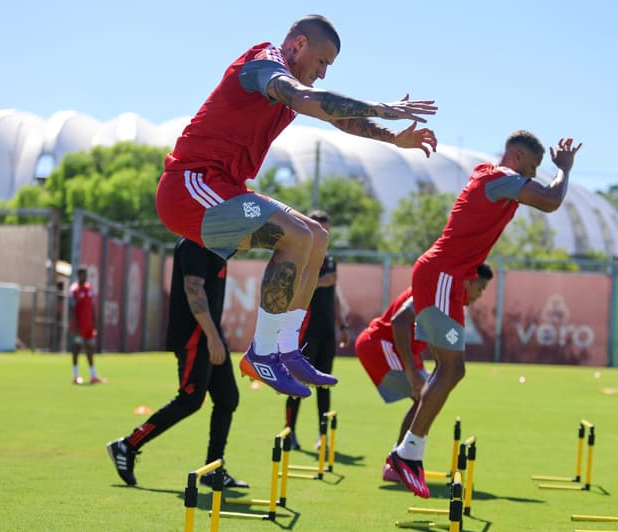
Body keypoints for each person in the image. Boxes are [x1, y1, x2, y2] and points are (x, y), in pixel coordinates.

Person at [154, 14, 438, 399]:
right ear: (298, 44)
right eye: (321, 62)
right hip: (191, 186)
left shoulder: (291, 86)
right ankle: (262, 353)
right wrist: (382, 107)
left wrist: (392, 138)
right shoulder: (264, 63)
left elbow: (340, 120)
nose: (321, 74)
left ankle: (286, 349)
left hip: (225, 187)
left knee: (315, 236)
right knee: (293, 235)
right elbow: (307, 99)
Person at [387, 132, 582, 498]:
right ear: (519, 157)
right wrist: (564, 170)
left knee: (452, 369)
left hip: (448, 280)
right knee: (451, 368)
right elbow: (552, 200)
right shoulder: (499, 178)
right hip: (441, 275)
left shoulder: (493, 179)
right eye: (534, 167)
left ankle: (406, 454)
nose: (534, 175)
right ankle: (406, 455)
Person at [106, 239, 248, 489]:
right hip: (196, 336)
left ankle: (214, 468)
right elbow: (193, 288)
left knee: (227, 398)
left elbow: (249, 237)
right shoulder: (193, 242)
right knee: (190, 399)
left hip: (211, 334)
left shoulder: (219, 241)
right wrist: (212, 337)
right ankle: (127, 445)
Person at [355, 265, 493, 483]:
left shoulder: (447, 298)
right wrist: (411, 371)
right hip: (382, 346)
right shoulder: (434, 290)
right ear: (469, 280)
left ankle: (399, 460)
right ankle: (397, 463)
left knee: (428, 396)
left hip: (400, 349)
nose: (480, 295)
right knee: (424, 397)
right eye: (481, 288)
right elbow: (399, 321)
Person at [283, 210, 351, 450]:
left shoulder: (329, 259)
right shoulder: (300, 255)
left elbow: (334, 296)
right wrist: (322, 280)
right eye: (319, 229)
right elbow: (296, 286)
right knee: (298, 383)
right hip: (305, 330)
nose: (324, 234)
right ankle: (288, 433)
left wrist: (342, 325)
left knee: (324, 384)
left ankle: (323, 437)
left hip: (326, 332)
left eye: (326, 231)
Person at [69, 267, 105, 385]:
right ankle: (75, 375)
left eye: (85, 275)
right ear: (78, 276)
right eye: (81, 275)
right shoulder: (74, 290)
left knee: (90, 349)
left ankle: (93, 375)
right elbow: (72, 310)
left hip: (88, 326)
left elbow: (92, 307)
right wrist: (75, 327)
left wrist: (94, 323)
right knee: (77, 349)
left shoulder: (89, 288)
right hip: (79, 327)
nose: (84, 277)